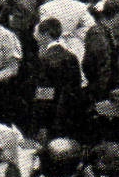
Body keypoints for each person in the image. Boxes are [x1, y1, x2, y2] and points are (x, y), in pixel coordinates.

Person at [30, 15, 86, 143]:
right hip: (71, 114)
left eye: (39, 35)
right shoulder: (72, 57)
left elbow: (44, 95)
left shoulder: (45, 60)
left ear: (45, 35)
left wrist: (41, 125)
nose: (37, 39)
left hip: (52, 118)